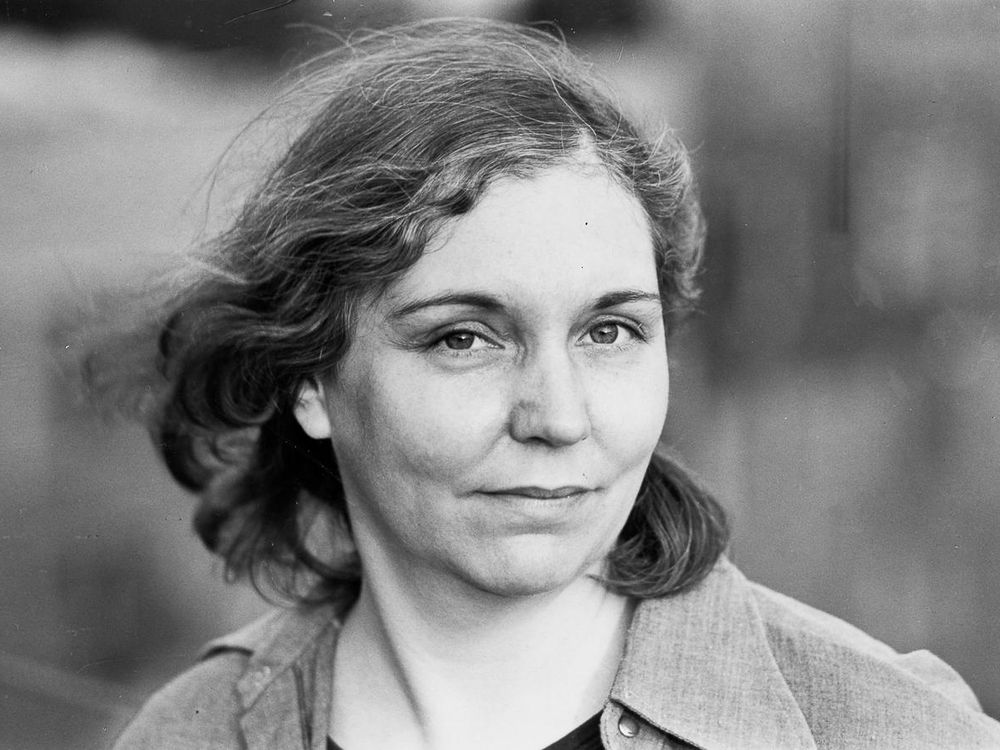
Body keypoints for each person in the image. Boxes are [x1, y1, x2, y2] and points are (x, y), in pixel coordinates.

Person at [106, 17, 1000, 750]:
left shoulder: (890, 731)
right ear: (309, 379)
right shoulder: (189, 734)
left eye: (608, 332)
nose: (559, 416)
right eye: (465, 338)